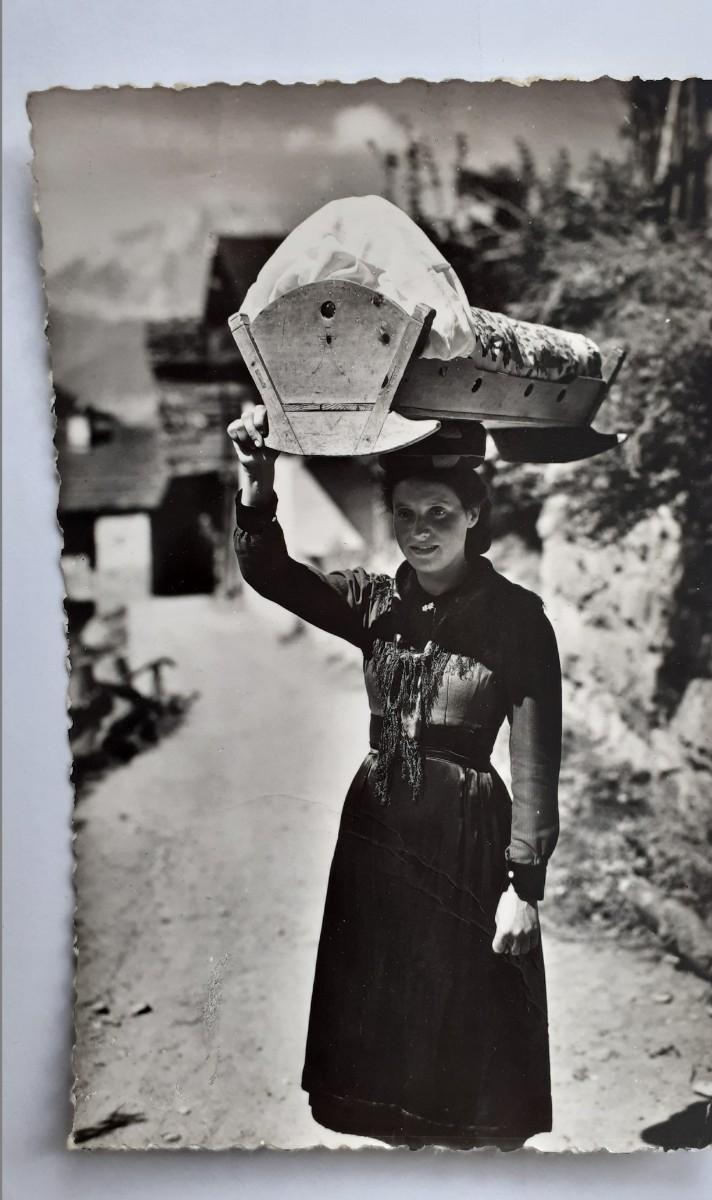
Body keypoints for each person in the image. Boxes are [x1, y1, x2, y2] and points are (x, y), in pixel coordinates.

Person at [228, 404, 562, 1150]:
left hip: (468, 843)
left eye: (440, 512)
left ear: (474, 513)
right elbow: (270, 571)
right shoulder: (372, 603)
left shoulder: (520, 621)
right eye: (406, 513)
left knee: (463, 1027)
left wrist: (524, 888)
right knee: (387, 1025)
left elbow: (539, 762)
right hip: (378, 833)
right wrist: (257, 480)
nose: (421, 530)